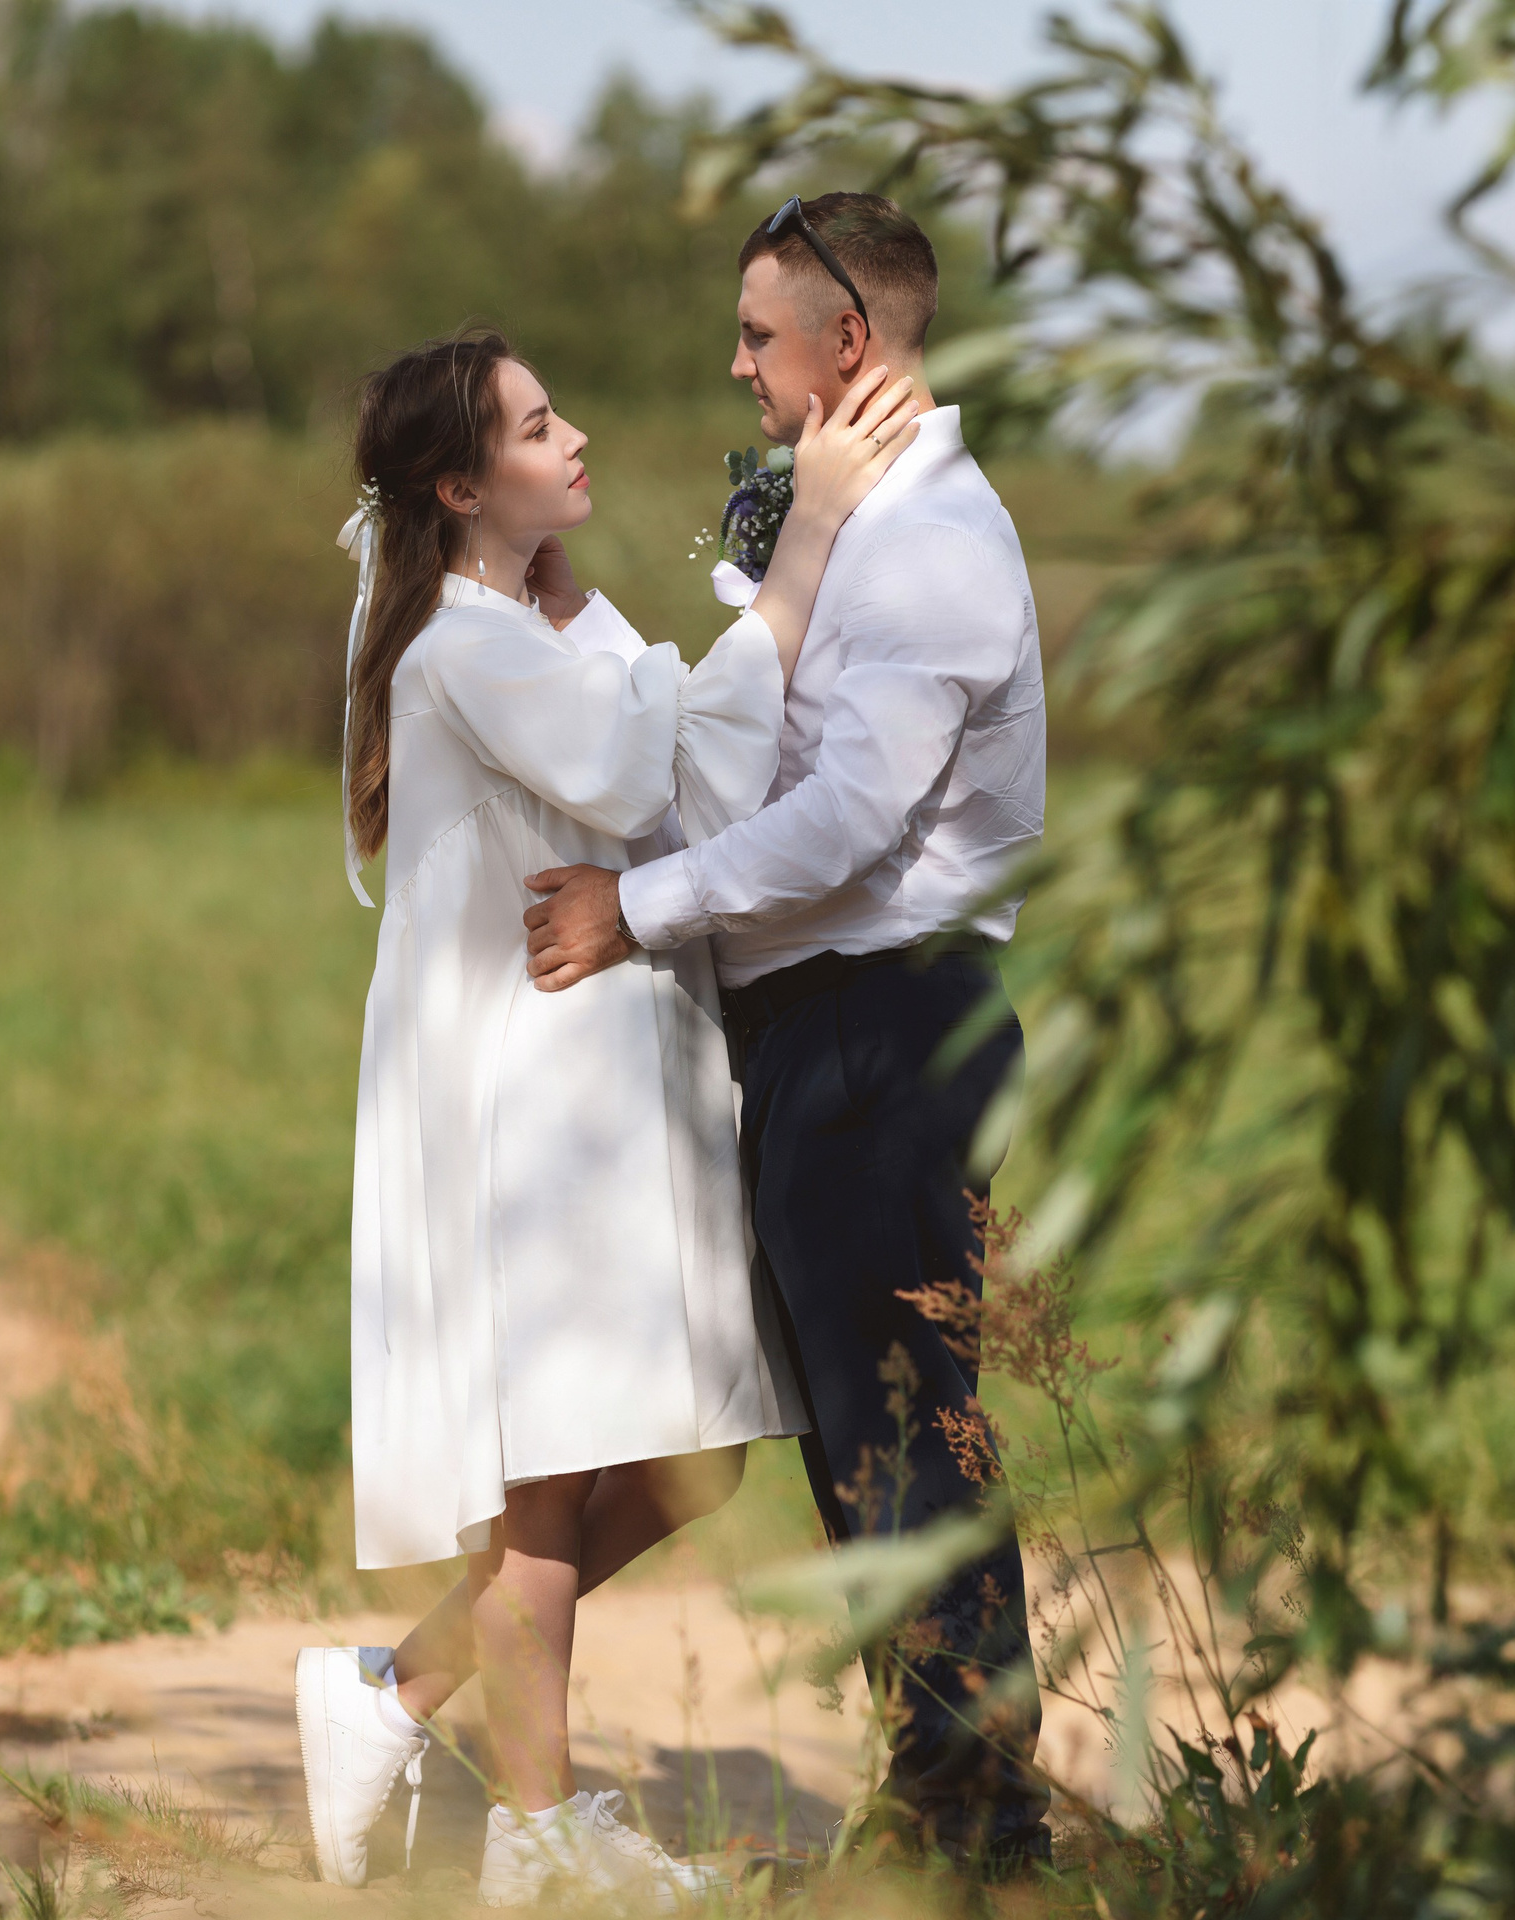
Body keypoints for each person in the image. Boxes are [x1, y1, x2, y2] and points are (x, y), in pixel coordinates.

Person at [293, 326, 920, 1907]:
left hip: (610, 1079)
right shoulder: (460, 640)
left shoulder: (549, 614)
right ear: (458, 483)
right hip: (535, 1103)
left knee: (686, 1461)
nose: (573, 438)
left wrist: (631, 643)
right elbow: (647, 765)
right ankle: (540, 1837)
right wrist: (810, 541)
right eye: (532, 425)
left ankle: (395, 1700)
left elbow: (698, 767)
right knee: (557, 1483)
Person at [522, 192, 1052, 1873]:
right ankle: (947, 1808)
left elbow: (840, 826)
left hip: (888, 1030)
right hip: (822, 1028)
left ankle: (978, 1839)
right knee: (858, 1439)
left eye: (759, 334)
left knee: (905, 1436)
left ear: (851, 345)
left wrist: (638, 907)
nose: (734, 361)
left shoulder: (935, 548)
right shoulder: (847, 520)